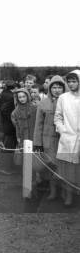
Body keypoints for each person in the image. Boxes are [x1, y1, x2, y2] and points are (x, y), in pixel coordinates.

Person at [34, 76, 66, 200]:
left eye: (59, 87)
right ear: (50, 88)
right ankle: (53, 192)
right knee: (51, 167)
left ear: (63, 88)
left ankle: (65, 193)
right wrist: (38, 143)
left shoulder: (68, 102)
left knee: (63, 168)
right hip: (47, 141)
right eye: (54, 87)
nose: (57, 90)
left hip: (63, 141)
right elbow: (38, 124)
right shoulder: (43, 102)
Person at [54, 70, 80, 206]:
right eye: (69, 81)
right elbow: (57, 117)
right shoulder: (63, 98)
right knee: (68, 171)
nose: (71, 84)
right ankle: (68, 196)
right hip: (67, 139)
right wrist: (63, 130)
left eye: (74, 81)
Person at [0, 80, 17, 174]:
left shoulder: (2, 94)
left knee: (5, 147)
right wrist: (11, 117)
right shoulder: (11, 97)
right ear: (14, 88)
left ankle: (4, 167)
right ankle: (5, 168)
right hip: (9, 125)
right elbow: (3, 109)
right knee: (8, 147)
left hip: (3, 124)